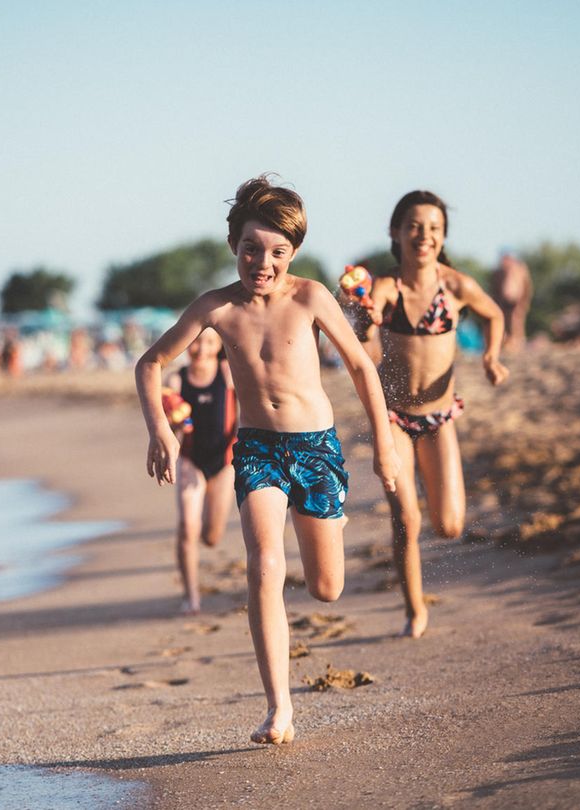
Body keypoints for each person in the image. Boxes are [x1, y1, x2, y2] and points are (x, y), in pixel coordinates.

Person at [135, 175, 400, 745]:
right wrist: (160, 428)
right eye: (252, 248)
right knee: (264, 565)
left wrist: (384, 446)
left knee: (326, 588)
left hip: (315, 448)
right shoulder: (216, 308)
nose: (263, 261)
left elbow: (360, 368)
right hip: (256, 450)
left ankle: (331, 523)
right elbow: (150, 363)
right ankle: (279, 709)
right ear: (234, 245)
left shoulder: (309, 297)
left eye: (278, 252)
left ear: (294, 254)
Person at [356, 191, 509, 638]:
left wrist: (490, 357)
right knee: (407, 518)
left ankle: (421, 589)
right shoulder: (386, 287)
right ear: (396, 233)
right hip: (394, 417)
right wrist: (365, 316)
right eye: (415, 227)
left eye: (434, 228)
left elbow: (494, 314)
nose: (424, 236)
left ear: (443, 237)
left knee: (449, 525)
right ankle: (414, 608)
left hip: (440, 417)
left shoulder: (456, 286)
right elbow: (368, 324)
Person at [165, 327, 237, 615]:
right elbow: (167, 427)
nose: (201, 348)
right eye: (196, 342)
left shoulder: (228, 372)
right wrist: (174, 421)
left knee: (211, 536)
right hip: (191, 460)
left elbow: (249, 411)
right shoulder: (176, 379)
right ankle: (191, 597)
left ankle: (207, 541)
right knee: (187, 527)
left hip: (224, 462)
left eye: (209, 341)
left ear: (218, 343)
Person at [490, 251, 533, 352]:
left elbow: (527, 287)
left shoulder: (520, 269)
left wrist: (524, 302)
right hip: (503, 301)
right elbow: (495, 288)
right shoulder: (499, 272)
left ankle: (517, 344)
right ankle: (506, 343)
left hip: (516, 300)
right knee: (503, 321)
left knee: (516, 322)